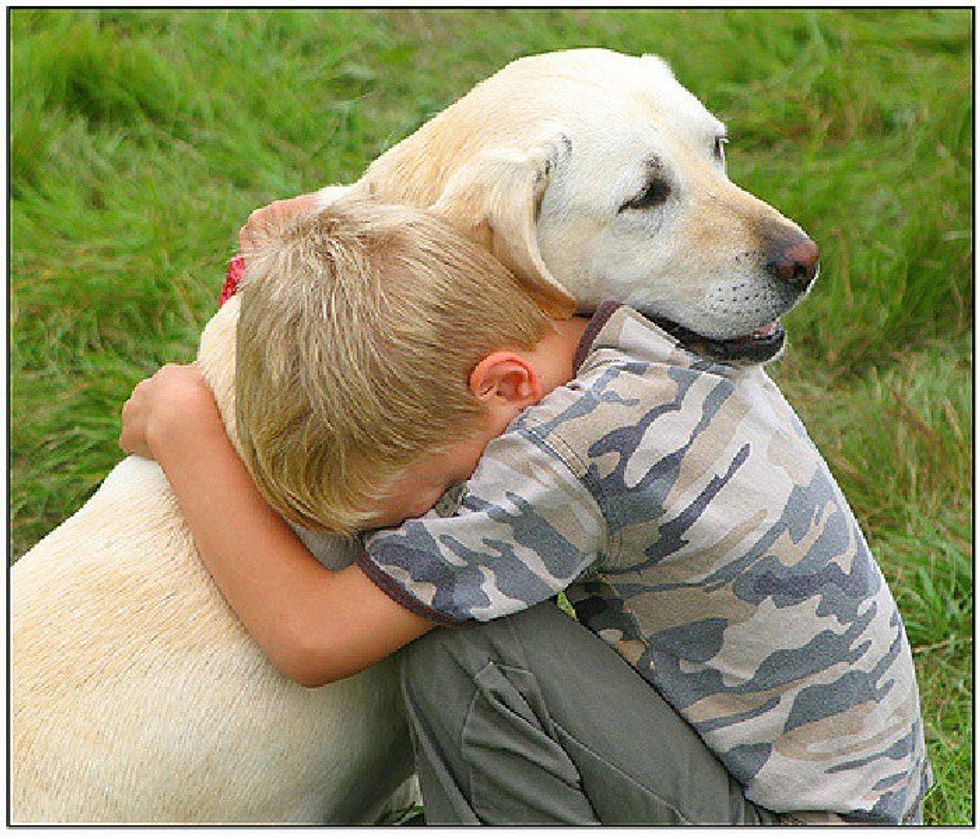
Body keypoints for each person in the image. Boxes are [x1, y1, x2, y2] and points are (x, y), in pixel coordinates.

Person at [120, 199, 930, 825]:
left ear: (504, 386)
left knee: (470, 655)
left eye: (433, 497)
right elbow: (436, 263)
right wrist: (317, 247)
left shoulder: (566, 454)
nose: (429, 523)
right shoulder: (620, 320)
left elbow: (311, 635)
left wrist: (185, 426)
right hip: (853, 795)